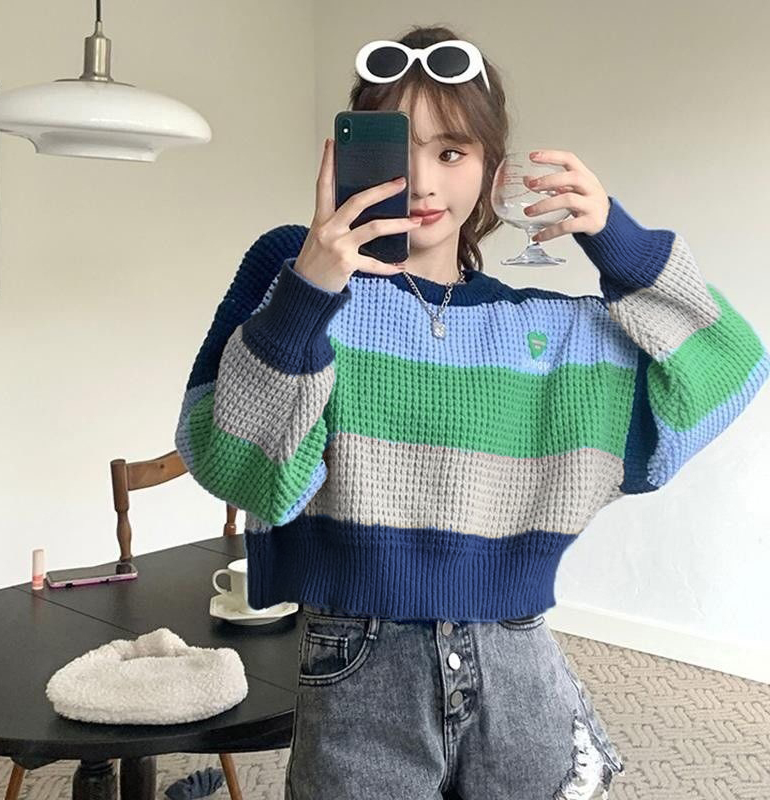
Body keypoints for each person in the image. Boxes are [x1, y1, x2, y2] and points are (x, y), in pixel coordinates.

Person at [175, 24, 769, 800]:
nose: (423, 181)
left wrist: (618, 242)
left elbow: (729, 365)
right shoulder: (294, 277)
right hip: (358, 660)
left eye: (452, 151)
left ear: (490, 168)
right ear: (351, 154)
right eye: (399, 149)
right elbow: (234, 466)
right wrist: (310, 289)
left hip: (517, 660)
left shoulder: (548, 331)